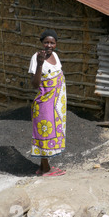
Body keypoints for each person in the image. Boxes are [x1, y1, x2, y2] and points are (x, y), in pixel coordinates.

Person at [29, 29, 67, 177]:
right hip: (45, 103)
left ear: (56, 44)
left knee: (51, 132)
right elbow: (35, 84)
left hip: (57, 103)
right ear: (41, 43)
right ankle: (46, 170)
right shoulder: (37, 58)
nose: (49, 45)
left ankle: (42, 166)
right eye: (46, 42)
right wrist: (39, 64)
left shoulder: (56, 56)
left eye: (52, 42)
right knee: (44, 134)